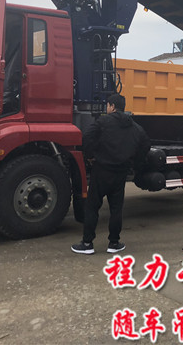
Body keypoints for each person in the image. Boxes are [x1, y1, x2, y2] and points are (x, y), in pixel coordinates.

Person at [71, 94, 150, 255]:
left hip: (101, 170)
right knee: (116, 209)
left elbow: (87, 137)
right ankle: (114, 243)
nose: (107, 108)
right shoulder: (135, 127)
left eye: (107, 105)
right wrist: (134, 164)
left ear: (112, 106)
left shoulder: (103, 122)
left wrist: (90, 156)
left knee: (92, 207)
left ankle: (87, 243)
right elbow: (145, 145)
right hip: (120, 173)